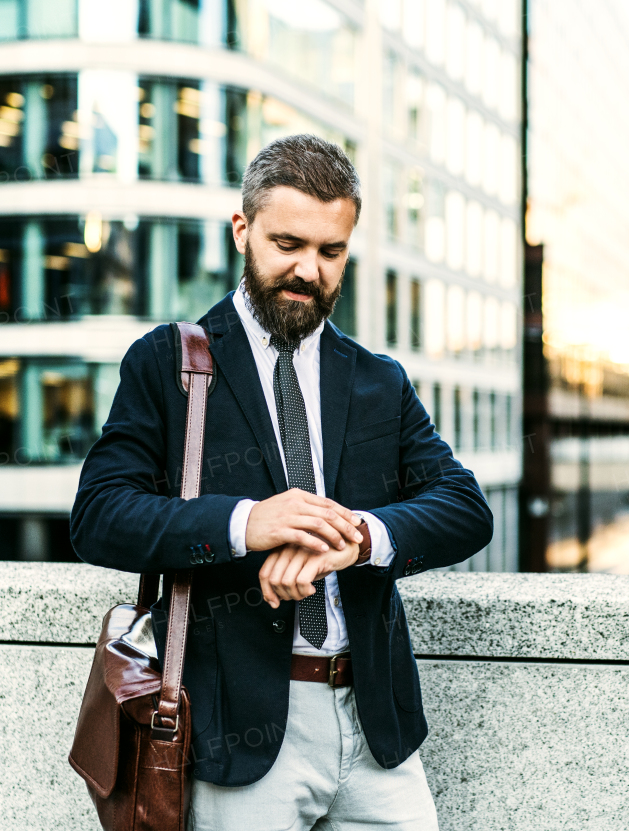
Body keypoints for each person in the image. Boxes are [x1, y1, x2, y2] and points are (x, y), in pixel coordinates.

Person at [70, 134, 493, 831]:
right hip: (240, 734)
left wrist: (360, 538)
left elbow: (465, 508)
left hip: (377, 733)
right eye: (288, 243)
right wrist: (245, 523)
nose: (308, 270)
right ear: (243, 230)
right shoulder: (169, 363)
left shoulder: (376, 378)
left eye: (331, 252)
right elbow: (99, 515)